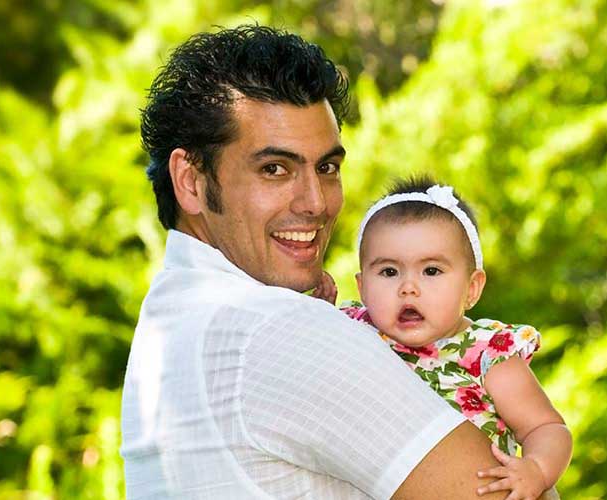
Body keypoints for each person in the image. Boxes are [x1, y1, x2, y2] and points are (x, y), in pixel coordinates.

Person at [119, 25, 504, 499]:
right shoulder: (271, 327)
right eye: (274, 169)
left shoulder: (171, 324)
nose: (316, 202)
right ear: (191, 181)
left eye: (326, 167)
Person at [332, 178, 571, 500]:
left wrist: (537, 469)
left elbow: (545, 428)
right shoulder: (353, 329)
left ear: (472, 288)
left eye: (431, 271)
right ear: (361, 286)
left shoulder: (488, 354)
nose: (408, 287)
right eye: (389, 272)